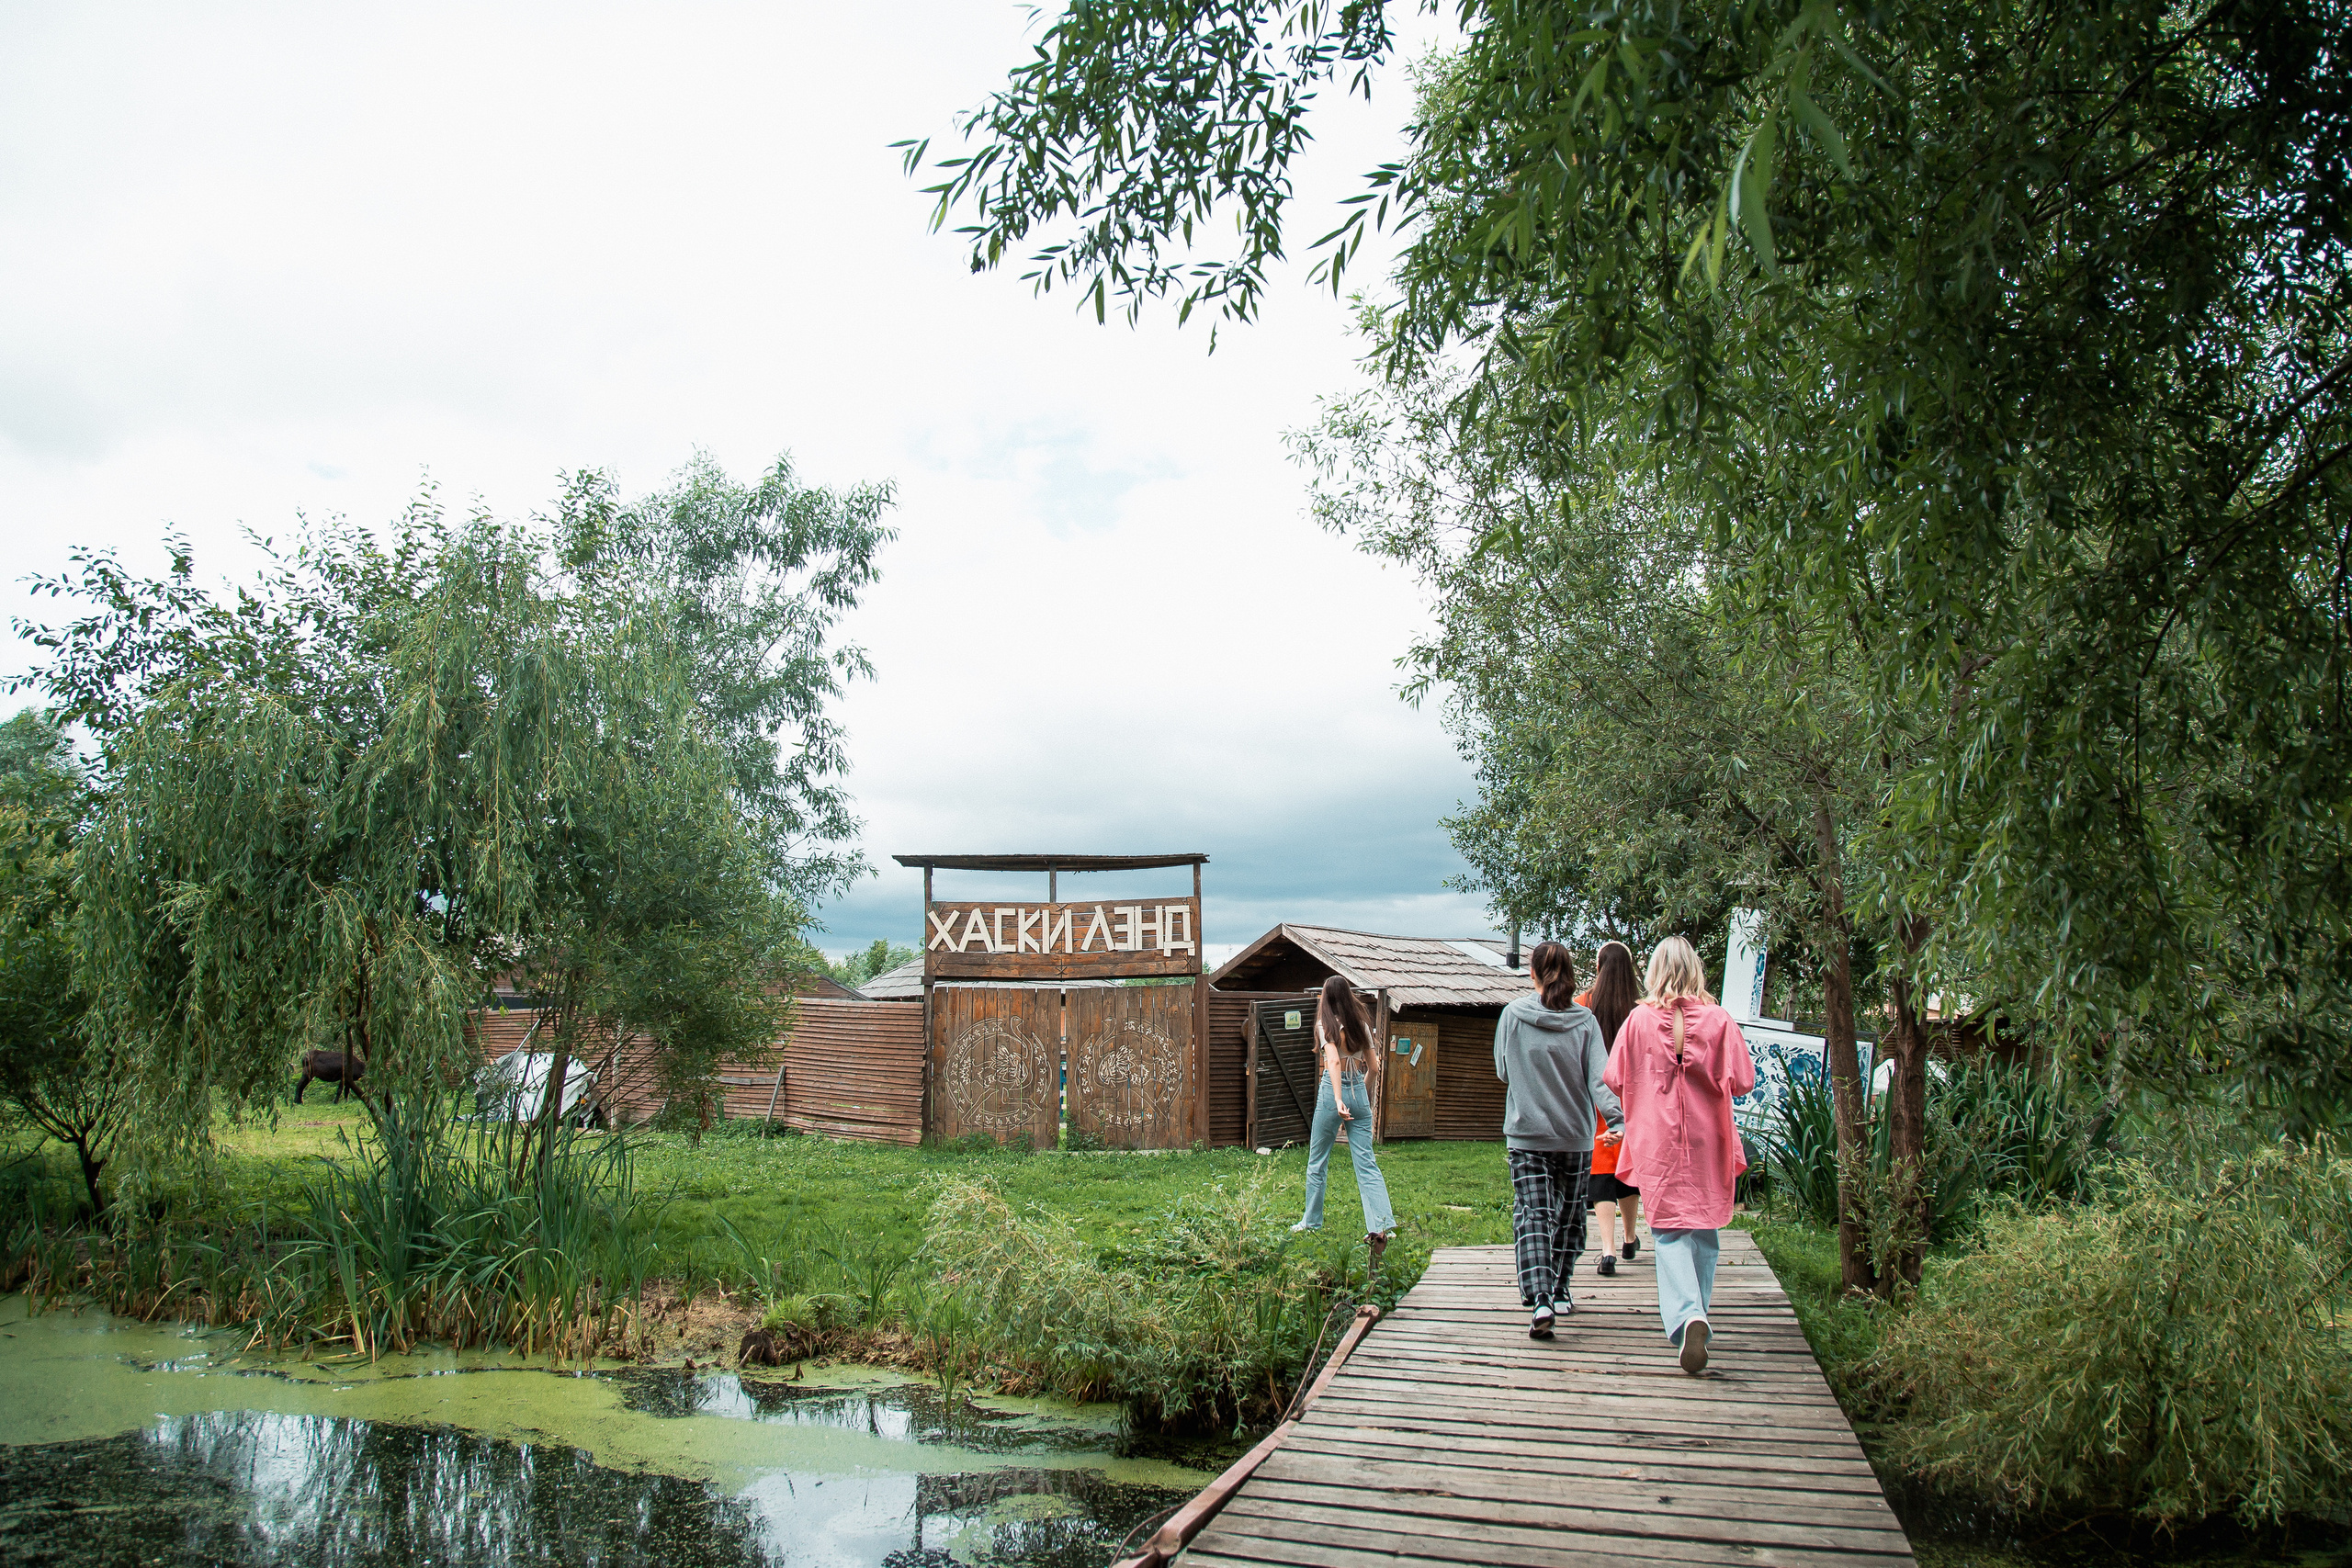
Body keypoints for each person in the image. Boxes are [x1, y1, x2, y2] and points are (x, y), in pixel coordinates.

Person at [1604, 935, 1756, 1373]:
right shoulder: (1720, 1020)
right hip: (1709, 1137)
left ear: (1654, 972)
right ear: (1695, 970)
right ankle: (1698, 1315)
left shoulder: (1637, 1021)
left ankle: (1689, 1315)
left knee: (1669, 1229)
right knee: (1705, 1228)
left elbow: (1614, 1077)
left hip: (1657, 1140)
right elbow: (1743, 1081)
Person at [1494, 941, 1623, 1340]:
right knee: (1568, 1215)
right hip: (1575, 1137)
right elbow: (1600, 1079)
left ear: (1532, 973)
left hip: (1526, 1135)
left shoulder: (1512, 1016)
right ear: (1570, 975)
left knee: (1534, 1214)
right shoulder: (1585, 1022)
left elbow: (1502, 1071)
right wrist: (1617, 1119)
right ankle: (1562, 1288)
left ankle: (1541, 1298)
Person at [1290, 976, 1396, 1263]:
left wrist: (1338, 1100)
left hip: (1331, 1093)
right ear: (1348, 997)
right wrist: (1360, 1096)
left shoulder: (1325, 1025)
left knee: (1317, 1160)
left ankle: (1311, 1222)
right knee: (1366, 1163)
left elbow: (1333, 1062)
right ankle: (1381, 1224)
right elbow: (1374, 1066)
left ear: (1326, 997)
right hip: (1359, 1092)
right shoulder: (1360, 1024)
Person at [1577, 940, 1643, 1276]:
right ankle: (1631, 1237)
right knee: (1627, 1165)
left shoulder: (1583, 1005)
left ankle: (1607, 1250)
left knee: (1601, 1168)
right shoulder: (1640, 1009)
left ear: (1599, 968)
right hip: (1632, 1099)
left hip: (1597, 1099)